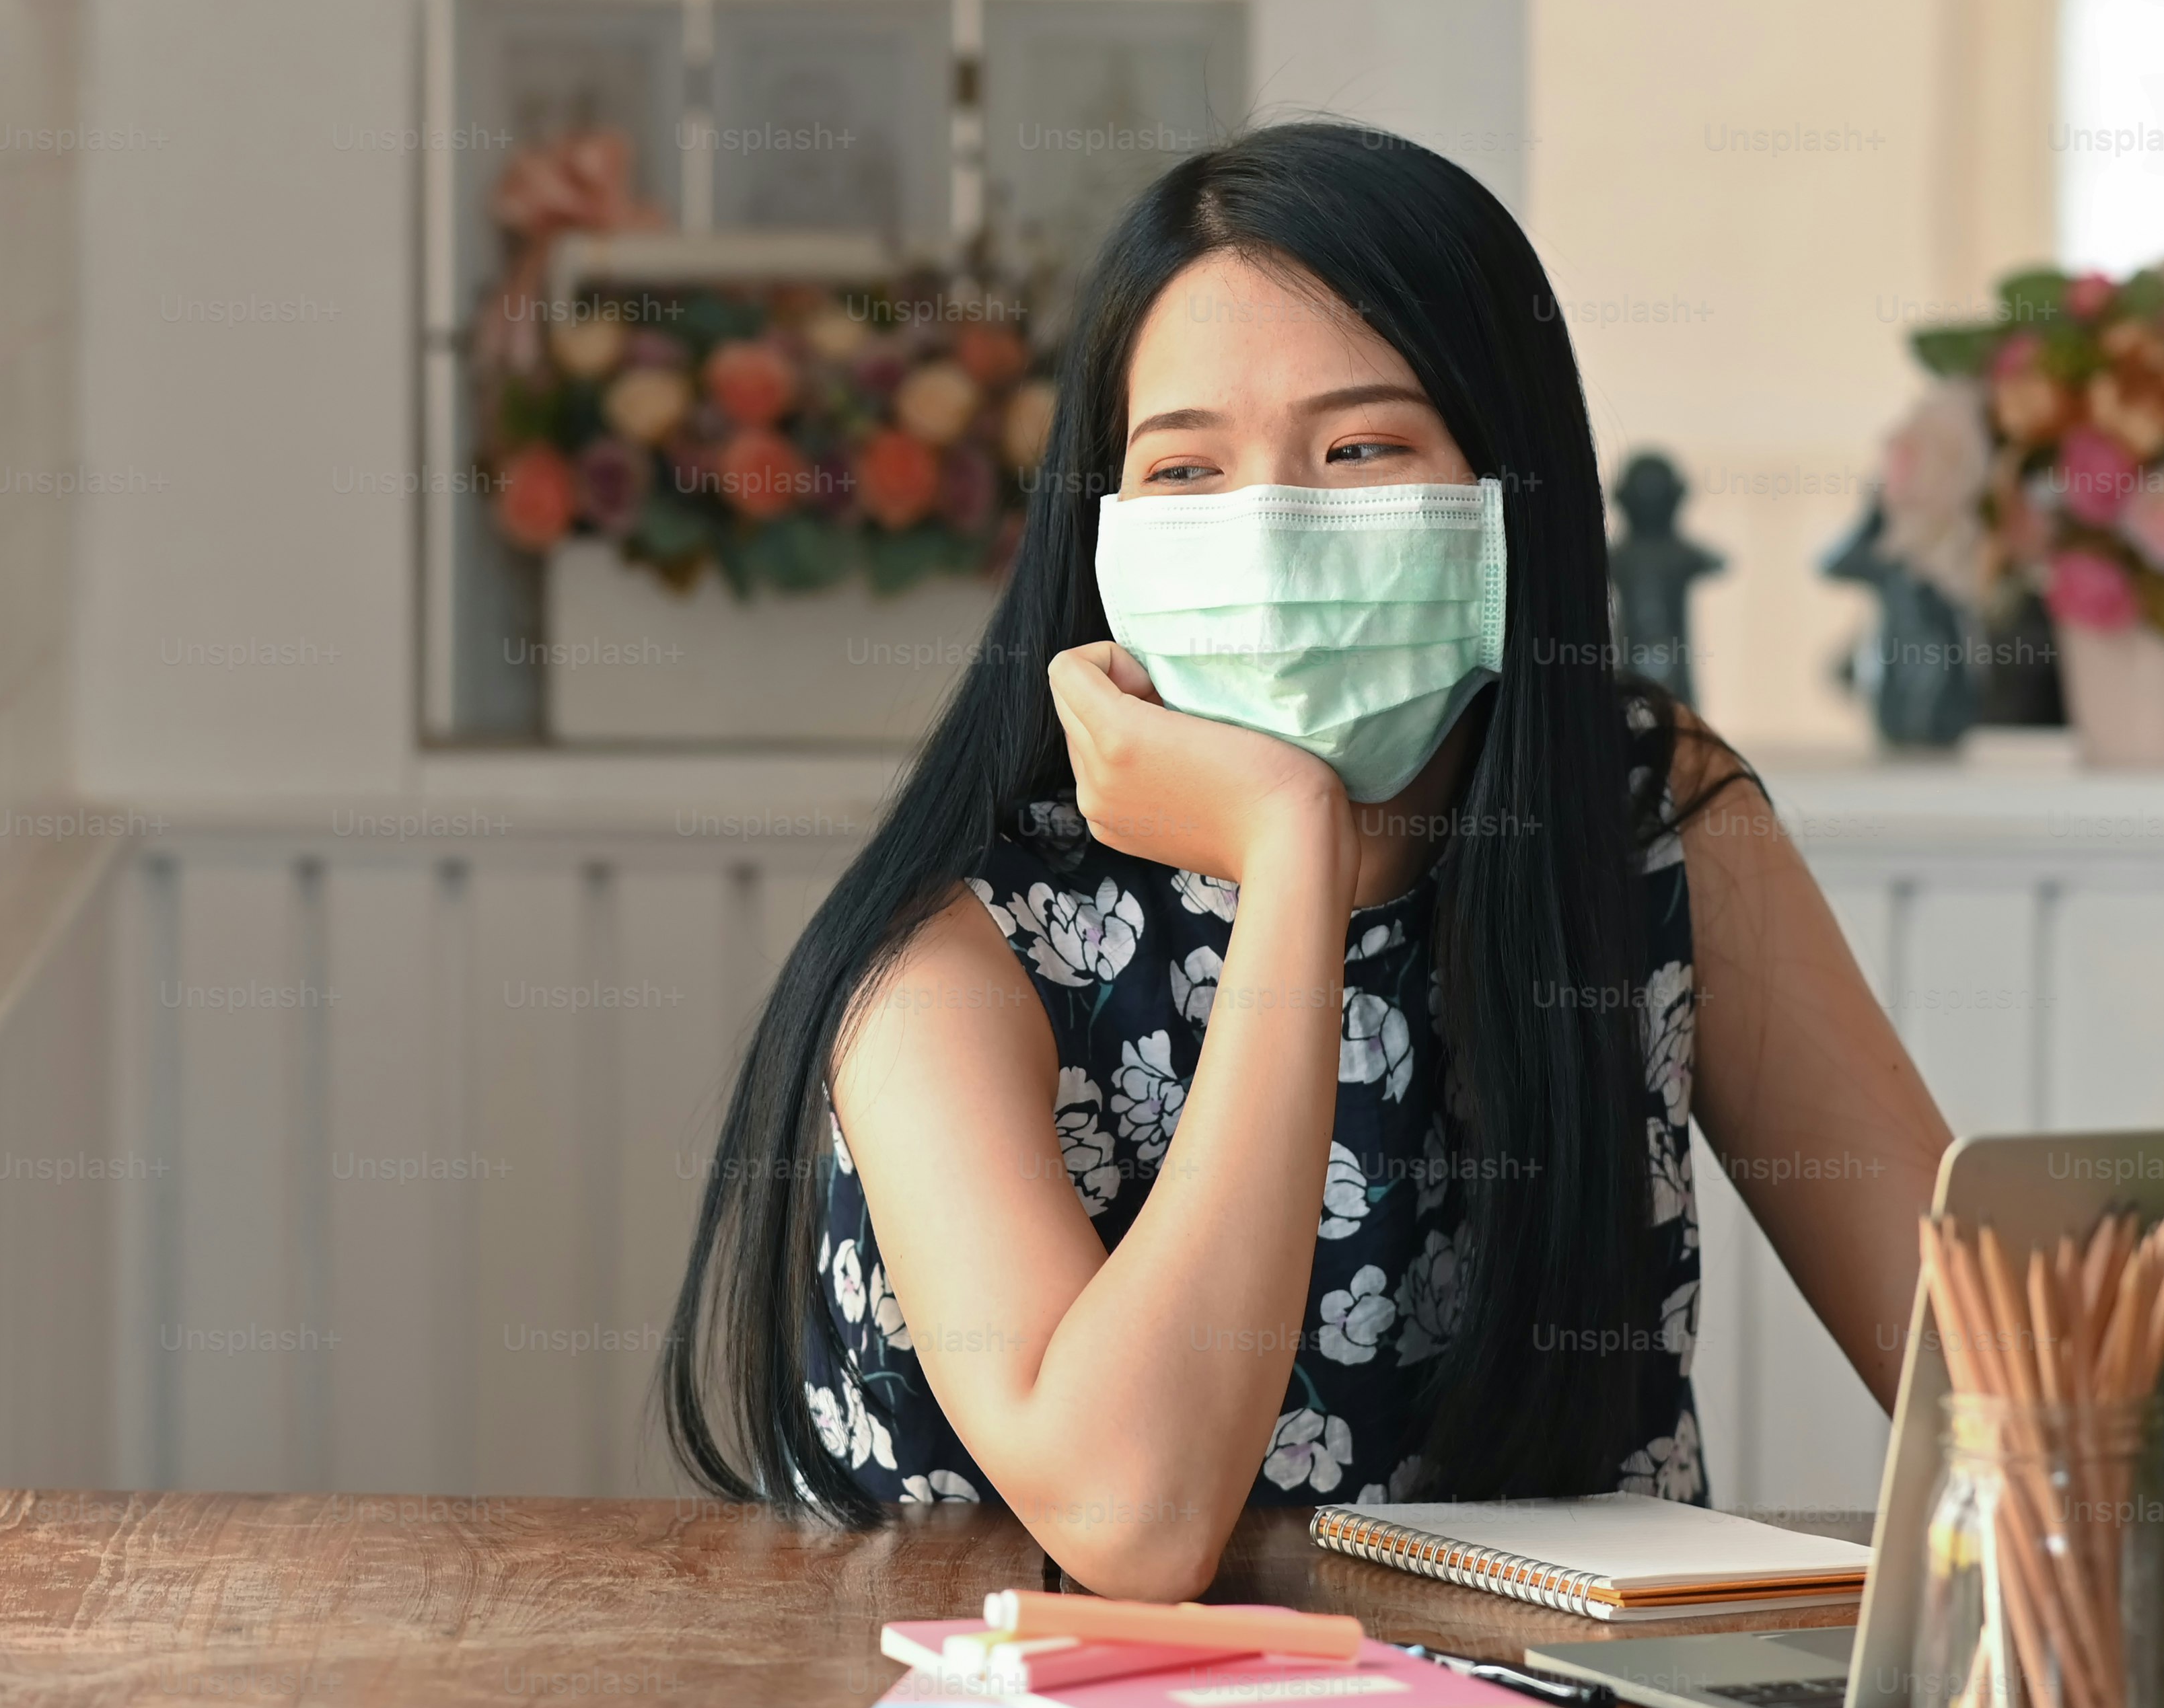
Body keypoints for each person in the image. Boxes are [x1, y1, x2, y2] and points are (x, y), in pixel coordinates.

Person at [656, 121, 1955, 1599]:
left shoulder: (1658, 825)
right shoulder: (952, 954)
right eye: (1186, 466)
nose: (1269, 529)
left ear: (1506, 489)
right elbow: (1135, 1522)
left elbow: (1998, 1374)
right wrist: (1289, 849)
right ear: (1101, 525)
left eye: (1361, 447)